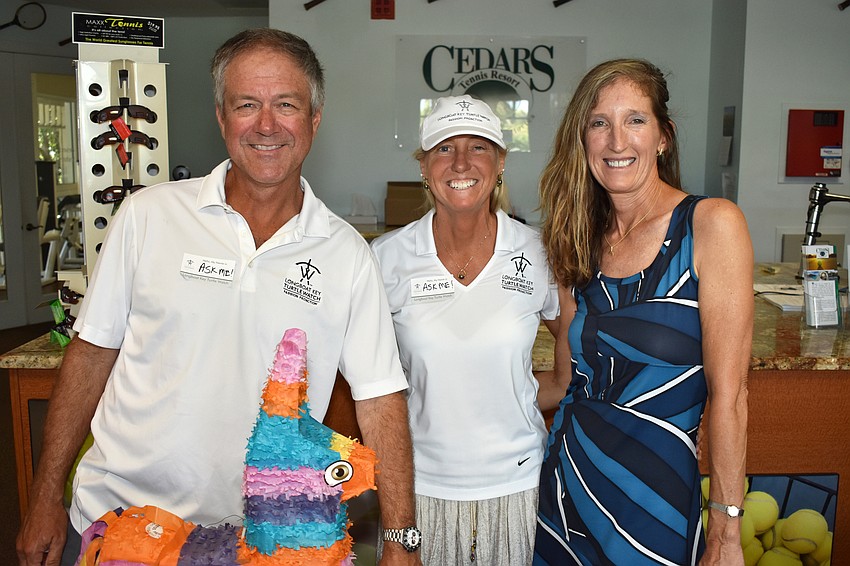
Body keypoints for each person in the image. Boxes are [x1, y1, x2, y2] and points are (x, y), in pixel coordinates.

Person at [17, 28, 420, 566]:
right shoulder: (148, 217)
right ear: (221, 117)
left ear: (314, 119)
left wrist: (401, 539)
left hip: (260, 544)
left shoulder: (347, 255)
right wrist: (45, 495)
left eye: (286, 104)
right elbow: (90, 356)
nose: (267, 124)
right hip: (118, 527)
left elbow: (380, 400)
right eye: (246, 104)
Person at [533, 59, 752, 565]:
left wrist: (726, 532)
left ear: (663, 137)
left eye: (635, 119)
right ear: (582, 139)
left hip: (658, 503)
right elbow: (568, 381)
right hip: (566, 493)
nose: (616, 141)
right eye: (599, 123)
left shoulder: (711, 225)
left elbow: (731, 395)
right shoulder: (576, 239)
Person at [371, 95, 560, 565]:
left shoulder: (540, 253)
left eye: (478, 147)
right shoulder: (386, 258)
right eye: (444, 148)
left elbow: (578, 357)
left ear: (500, 163)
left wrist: (511, 398)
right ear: (423, 166)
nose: (460, 162)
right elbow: (365, 383)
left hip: (518, 487)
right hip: (420, 490)